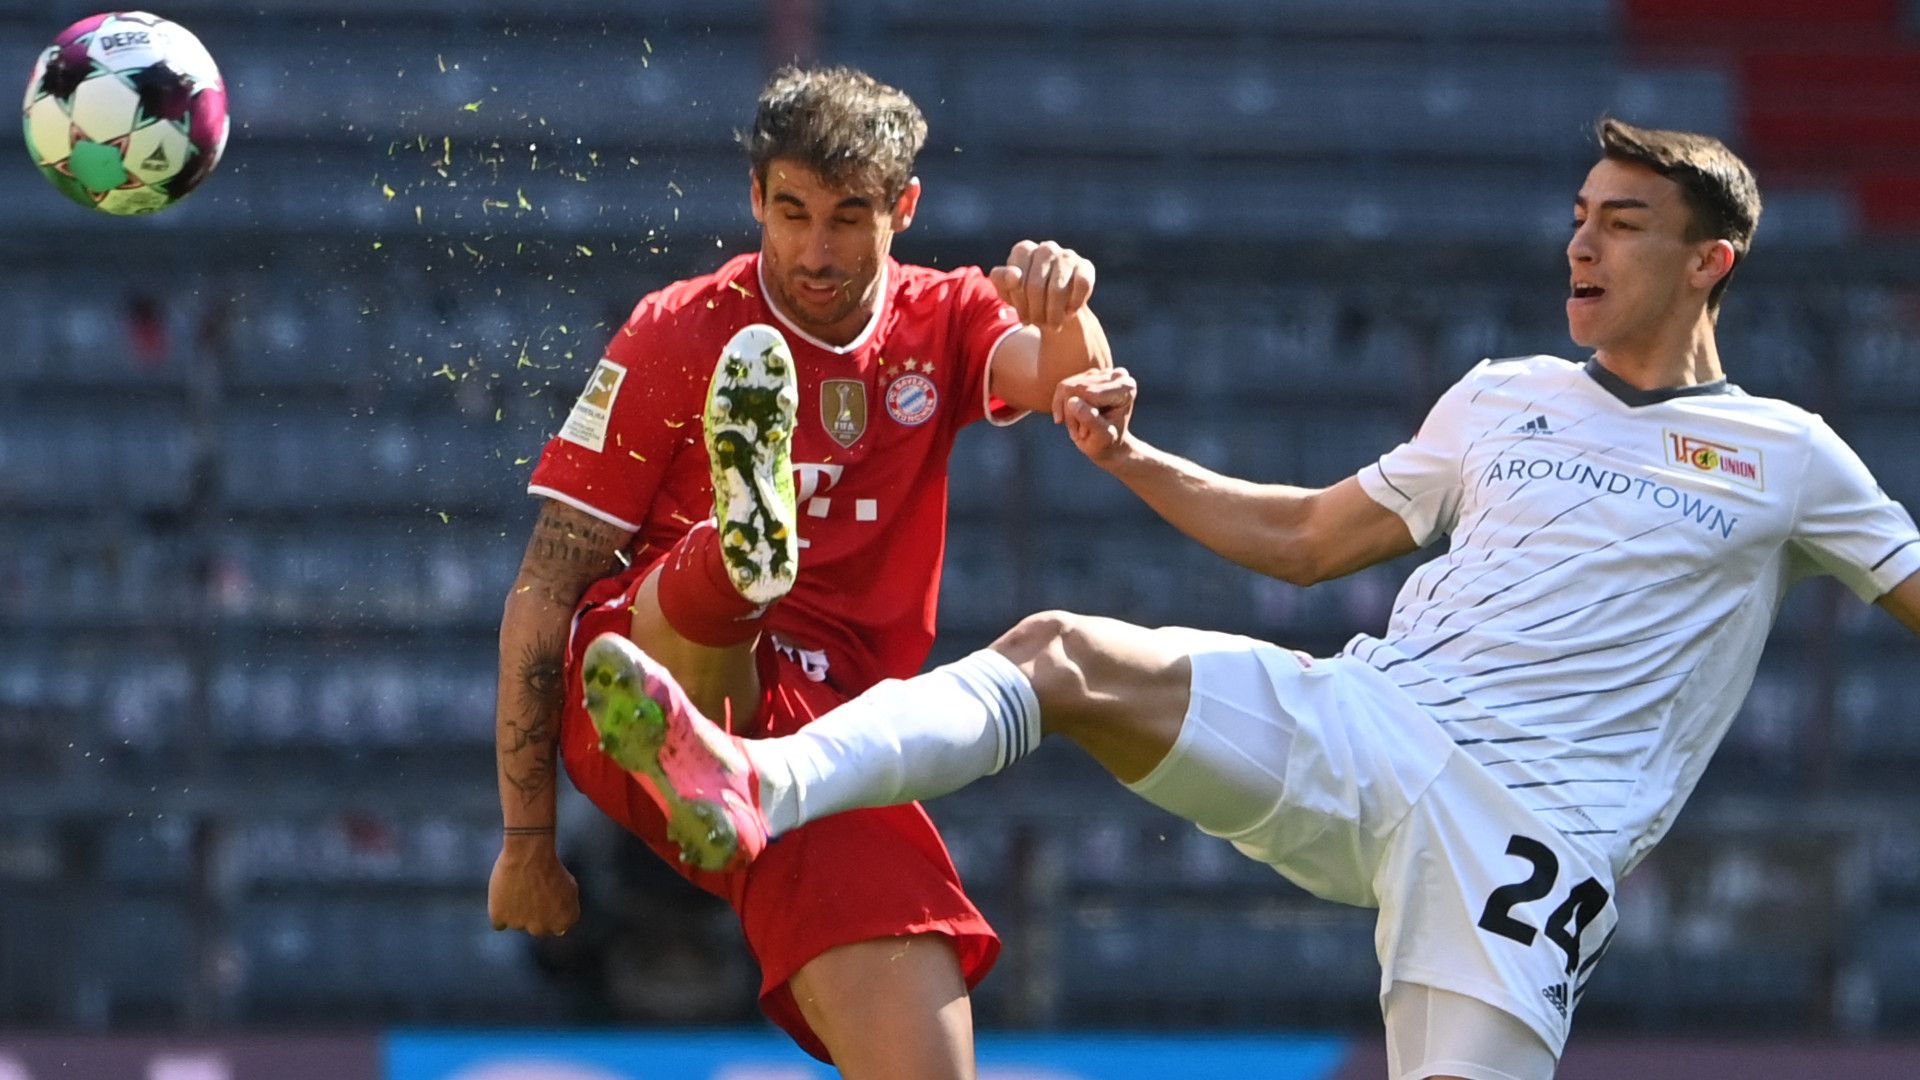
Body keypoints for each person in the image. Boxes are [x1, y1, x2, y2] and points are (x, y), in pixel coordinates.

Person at [573, 118, 1920, 1080]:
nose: (1583, 243)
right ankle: (756, 780)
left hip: (1531, 845)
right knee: (1062, 654)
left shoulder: (1788, 456)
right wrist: (1129, 454)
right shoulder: (1505, 398)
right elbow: (1307, 540)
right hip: (1375, 724)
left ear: (1709, 263)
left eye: (1623, 224)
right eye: (1578, 214)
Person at [486, 65, 1111, 1078]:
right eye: (792, 213)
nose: (816, 252)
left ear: (903, 209)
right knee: (684, 614)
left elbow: (1075, 388)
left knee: (927, 1054)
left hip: (828, 745)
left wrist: (1066, 302)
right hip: (640, 681)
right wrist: (526, 840)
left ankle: (735, 679)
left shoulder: (944, 319)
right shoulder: (676, 331)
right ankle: (731, 570)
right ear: (755, 201)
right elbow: (546, 589)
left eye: (849, 218)